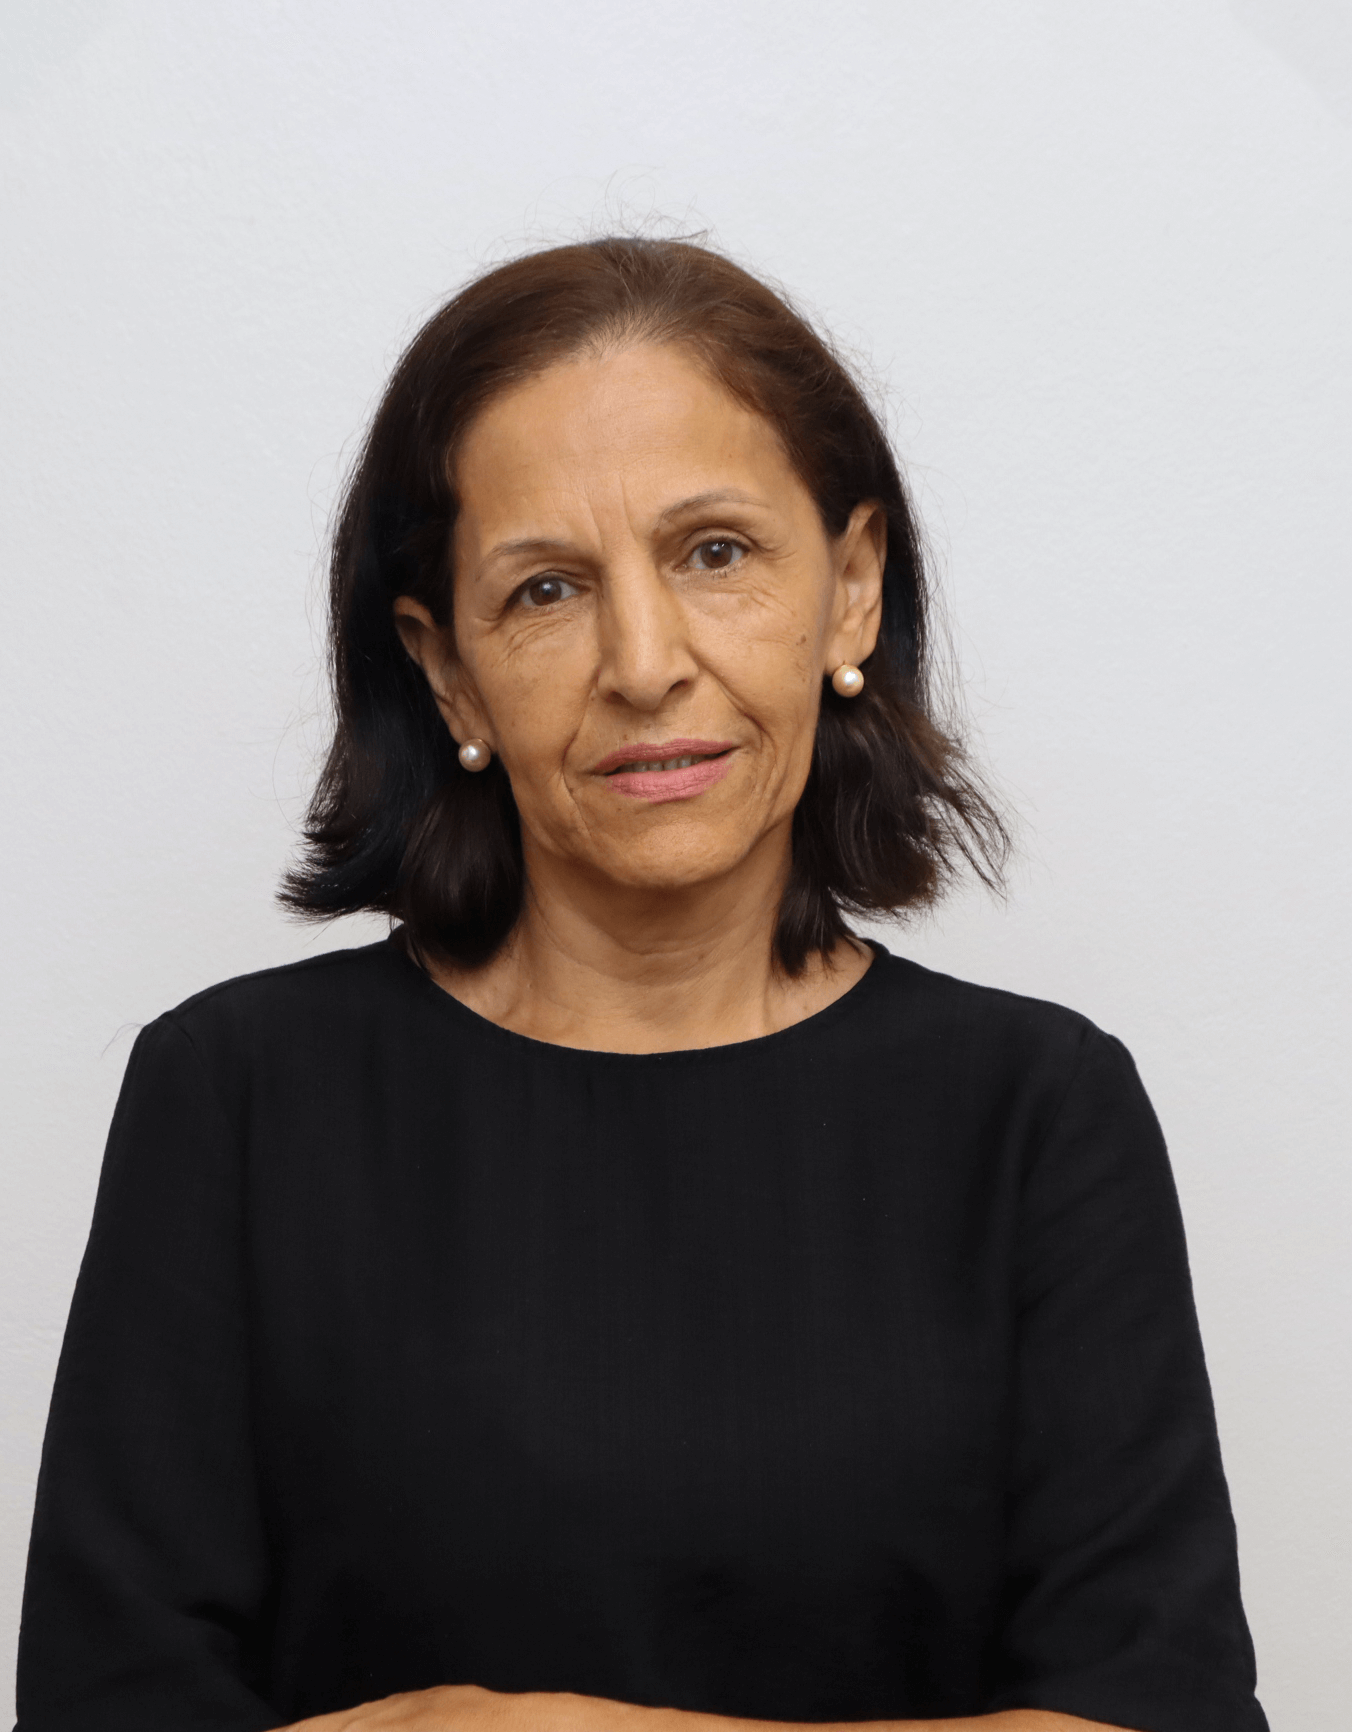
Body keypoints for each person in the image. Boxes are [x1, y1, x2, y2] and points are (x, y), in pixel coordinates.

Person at [15, 238, 1267, 1732]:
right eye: (546, 588)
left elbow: (1162, 1709)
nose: (644, 661)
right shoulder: (233, 1097)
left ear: (850, 589)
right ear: (449, 670)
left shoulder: (1039, 1114)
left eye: (715, 553)